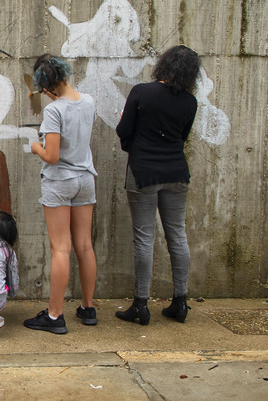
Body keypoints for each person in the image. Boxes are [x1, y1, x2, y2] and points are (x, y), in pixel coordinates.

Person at [114, 45, 201, 325]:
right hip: (177, 173)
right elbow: (182, 137)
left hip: (143, 173)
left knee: (144, 238)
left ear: (164, 64)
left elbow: (124, 131)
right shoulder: (190, 102)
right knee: (177, 235)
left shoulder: (142, 92)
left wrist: (135, 144)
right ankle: (180, 302)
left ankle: (141, 305)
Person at [25, 54, 98, 334]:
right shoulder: (88, 101)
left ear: (46, 86)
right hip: (85, 179)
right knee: (84, 245)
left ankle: (55, 316)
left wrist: (35, 148)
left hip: (60, 182)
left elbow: (52, 156)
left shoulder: (54, 111)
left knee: (60, 248)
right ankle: (88, 308)